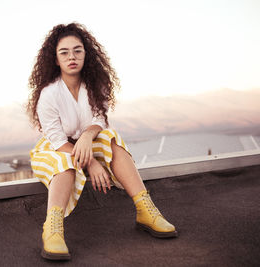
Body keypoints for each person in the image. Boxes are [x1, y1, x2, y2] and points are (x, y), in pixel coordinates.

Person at [26, 22, 177, 261]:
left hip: (88, 140)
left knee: (111, 138)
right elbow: (56, 139)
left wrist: (87, 136)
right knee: (65, 163)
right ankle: (52, 229)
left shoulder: (97, 85)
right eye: (64, 52)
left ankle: (146, 211)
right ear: (55, 59)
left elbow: (100, 121)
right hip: (56, 147)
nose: (71, 57)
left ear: (86, 53)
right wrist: (91, 164)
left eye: (77, 50)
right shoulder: (48, 94)